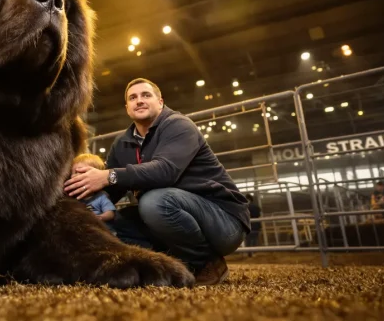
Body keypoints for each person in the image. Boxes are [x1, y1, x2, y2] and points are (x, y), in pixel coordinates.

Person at [65, 78, 249, 285]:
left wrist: (107, 175)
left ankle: (206, 262)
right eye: (133, 98)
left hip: (223, 222)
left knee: (154, 201)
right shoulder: (122, 143)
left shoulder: (178, 125)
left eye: (146, 95)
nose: (139, 101)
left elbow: (165, 171)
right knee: (107, 223)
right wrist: (80, 198)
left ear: (160, 102)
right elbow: (110, 191)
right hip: (170, 218)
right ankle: (165, 264)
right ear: (127, 108)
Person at [71, 154, 116, 222]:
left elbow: (110, 213)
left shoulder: (101, 196)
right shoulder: (72, 198)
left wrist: (100, 217)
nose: (76, 176)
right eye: (74, 172)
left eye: (82, 171)